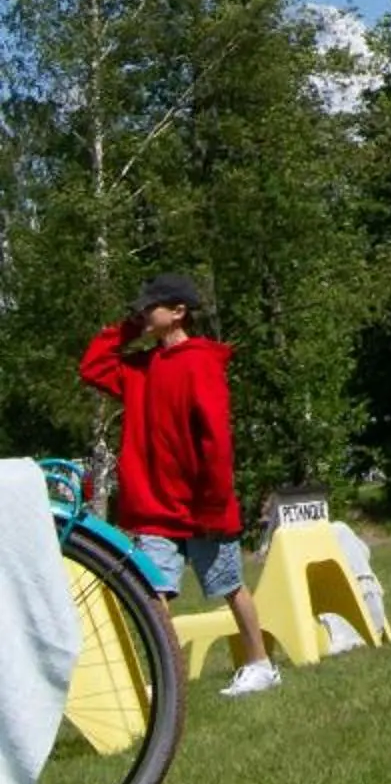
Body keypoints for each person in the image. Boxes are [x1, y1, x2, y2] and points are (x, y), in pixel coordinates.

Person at [78, 273, 281, 698]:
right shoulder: (140, 369)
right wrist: (132, 329)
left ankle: (261, 664)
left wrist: (214, 505)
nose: (141, 313)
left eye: (150, 307)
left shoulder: (201, 362)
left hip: (201, 508)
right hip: (154, 509)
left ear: (178, 312)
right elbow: (93, 365)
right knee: (155, 595)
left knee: (229, 586)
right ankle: (171, 683)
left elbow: (216, 440)